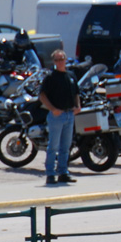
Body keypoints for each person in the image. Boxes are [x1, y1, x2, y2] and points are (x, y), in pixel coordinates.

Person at [39, 49, 80, 185]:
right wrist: (53, 109)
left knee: (66, 146)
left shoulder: (71, 75)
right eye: (57, 60)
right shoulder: (51, 77)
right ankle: (50, 173)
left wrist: (77, 106)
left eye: (62, 59)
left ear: (66, 59)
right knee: (53, 146)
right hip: (57, 115)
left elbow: (76, 93)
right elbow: (42, 95)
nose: (60, 62)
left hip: (69, 114)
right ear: (53, 62)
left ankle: (63, 172)